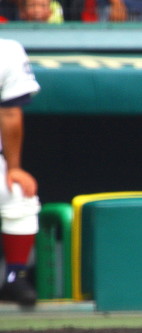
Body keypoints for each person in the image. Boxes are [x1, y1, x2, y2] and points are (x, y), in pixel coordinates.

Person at [0, 39, 41, 307]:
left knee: (18, 194)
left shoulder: (6, 50)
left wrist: (14, 168)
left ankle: (15, 276)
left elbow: (10, 112)